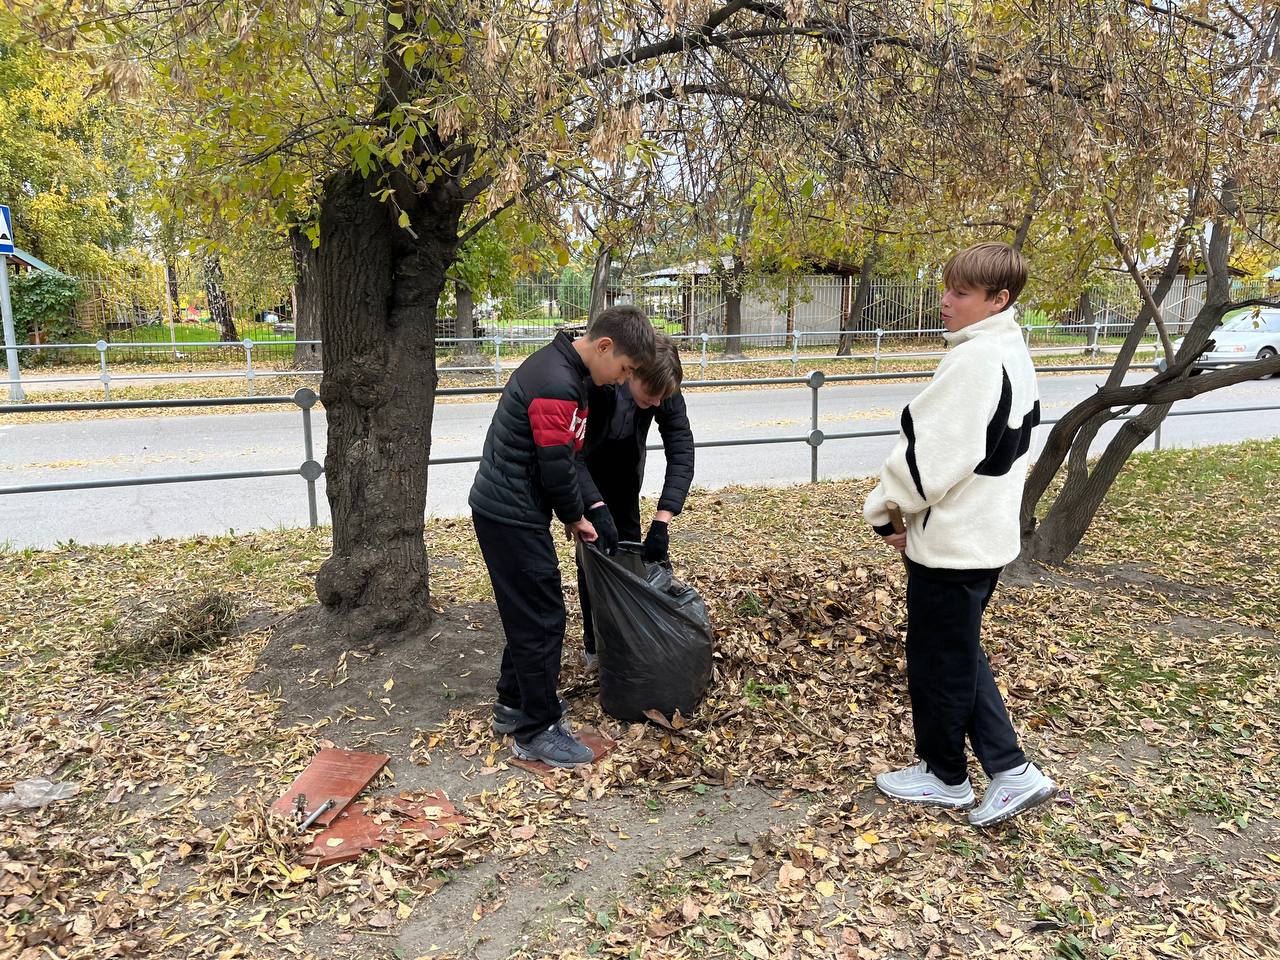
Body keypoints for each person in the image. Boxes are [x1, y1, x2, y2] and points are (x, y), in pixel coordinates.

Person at [863, 241, 1057, 828]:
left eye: (961, 293)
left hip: (955, 542)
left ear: (998, 299)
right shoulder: (1010, 348)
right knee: (957, 653)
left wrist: (887, 513)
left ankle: (952, 775)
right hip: (982, 535)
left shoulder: (976, 361)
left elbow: (930, 460)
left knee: (940, 661)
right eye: (946, 287)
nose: (945, 302)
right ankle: (1004, 769)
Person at [469, 306, 656, 767]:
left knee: (529, 612)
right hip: (509, 514)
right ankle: (536, 729)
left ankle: (514, 704)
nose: (621, 380)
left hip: (516, 509)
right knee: (543, 616)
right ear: (605, 347)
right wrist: (575, 516)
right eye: (626, 369)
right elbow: (555, 469)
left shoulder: (570, 376)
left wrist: (595, 508)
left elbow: (571, 459)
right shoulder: (557, 382)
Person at [575, 334, 695, 668]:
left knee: (627, 554)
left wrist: (663, 519)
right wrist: (593, 507)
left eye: (663, 398)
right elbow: (573, 455)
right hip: (584, 469)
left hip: (625, 476)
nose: (657, 403)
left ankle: (627, 639)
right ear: (632, 374)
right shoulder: (598, 381)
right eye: (652, 396)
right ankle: (595, 645)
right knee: (592, 557)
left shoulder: (662, 384)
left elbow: (681, 447)